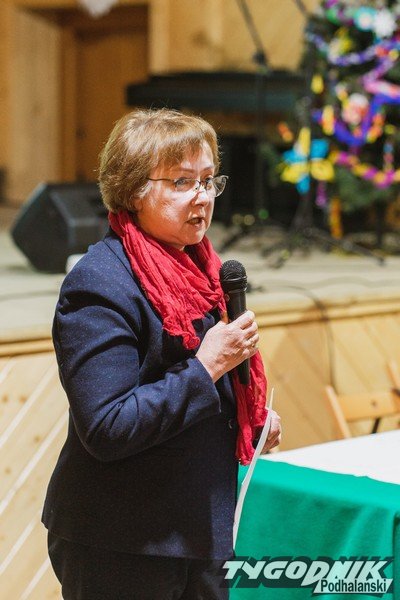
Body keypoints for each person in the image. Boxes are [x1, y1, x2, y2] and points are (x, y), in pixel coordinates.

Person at [42, 107, 281, 600]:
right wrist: (208, 365)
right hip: (122, 541)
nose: (202, 197)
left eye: (209, 181)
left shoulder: (203, 271)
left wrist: (247, 418)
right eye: (182, 182)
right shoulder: (100, 284)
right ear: (133, 190)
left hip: (200, 531)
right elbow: (108, 427)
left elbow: (196, 394)